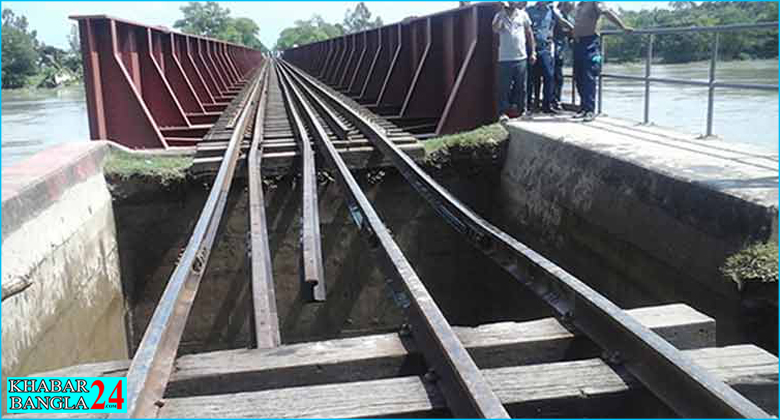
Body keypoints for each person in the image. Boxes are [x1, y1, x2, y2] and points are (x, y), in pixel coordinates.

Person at [572, 2, 632, 122]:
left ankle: (590, 110)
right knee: (578, 77)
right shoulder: (579, 5)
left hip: (590, 43)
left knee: (588, 76)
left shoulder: (595, 2)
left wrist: (622, 26)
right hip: (578, 43)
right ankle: (583, 108)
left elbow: (606, 13)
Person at [526, 1, 573, 115]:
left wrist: (574, 30)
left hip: (545, 49)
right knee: (531, 78)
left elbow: (562, 22)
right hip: (531, 48)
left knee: (549, 76)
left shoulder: (551, 11)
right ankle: (530, 105)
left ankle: (547, 105)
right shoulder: (529, 11)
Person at [493, 1, 536, 122]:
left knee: (521, 86)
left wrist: (533, 52)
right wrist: (501, 13)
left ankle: (523, 111)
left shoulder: (523, 15)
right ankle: (502, 113)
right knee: (504, 88)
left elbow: (529, 33)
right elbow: (495, 29)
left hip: (521, 57)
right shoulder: (499, 16)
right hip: (504, 58)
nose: (512, 3)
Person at [552, 1, 575, 110]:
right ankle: (550, 100)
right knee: (550, 76)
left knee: (559, 78)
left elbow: (572, 37)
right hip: (551, 49)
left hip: (561, 51)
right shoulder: (554, 14)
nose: (571, 7)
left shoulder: (570, 19)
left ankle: (557, 100)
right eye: (569, 5)